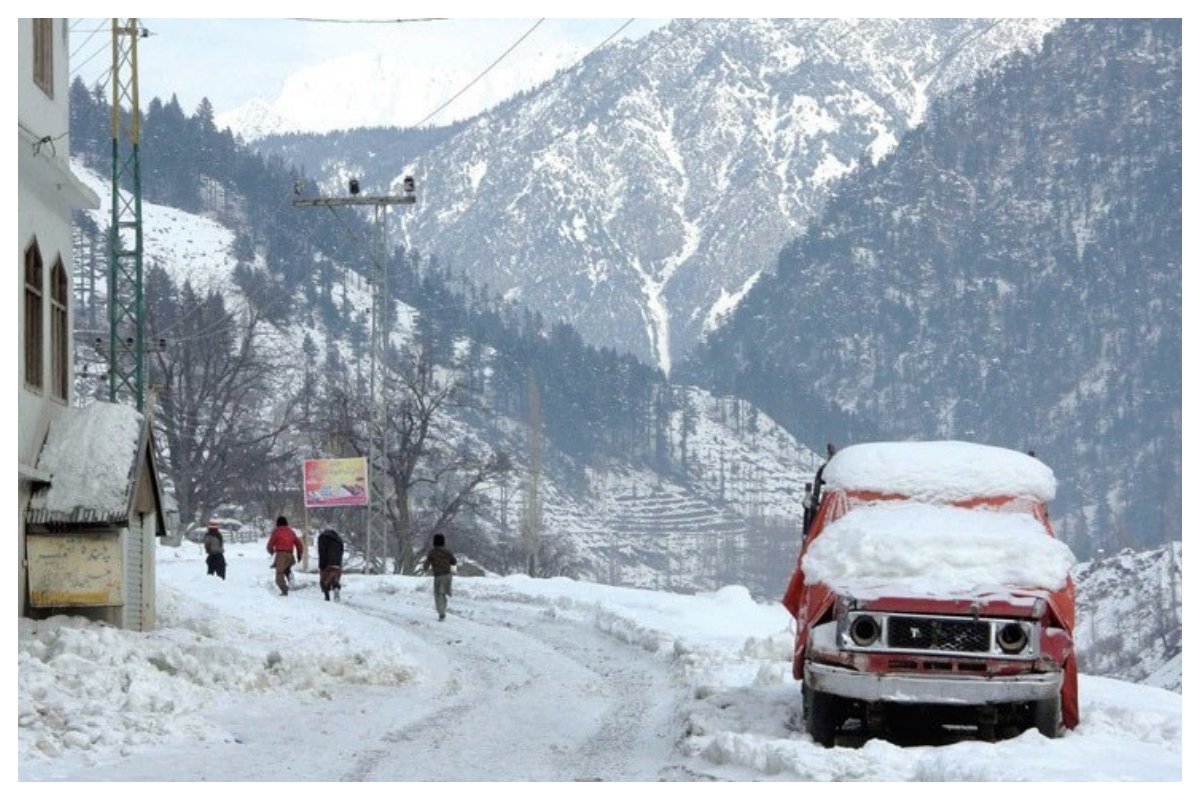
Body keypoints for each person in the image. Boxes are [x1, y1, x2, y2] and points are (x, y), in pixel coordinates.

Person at [420, 533, 457, 621]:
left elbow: (427, 563)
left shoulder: (432, 552)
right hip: (448, 575)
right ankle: (443, 609)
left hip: (438, 576)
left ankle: (441, 613)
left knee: (438, 595)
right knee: (443, 594)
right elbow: (454, 562)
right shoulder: (448, 552)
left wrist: (425, 569)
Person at [266, 516, 304, 596]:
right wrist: (299, 554)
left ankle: (284, 589)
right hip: (290, 554)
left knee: (279, 572)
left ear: (277, 523)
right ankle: (291, 579)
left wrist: (271, 551)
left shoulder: (276, 531)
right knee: (287, 568)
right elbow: (299, 544)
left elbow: (270, 544)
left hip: (281, 554)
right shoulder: (291, 531)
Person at [317, 528, 344, 602]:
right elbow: (341, 551)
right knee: (335, 580)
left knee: (325, 581)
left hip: (327, 564)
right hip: (337, 564)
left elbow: (322, 551)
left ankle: (327, 598)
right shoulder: (338, 539)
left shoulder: (322, 537)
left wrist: (321, 565)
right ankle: (336, 589)